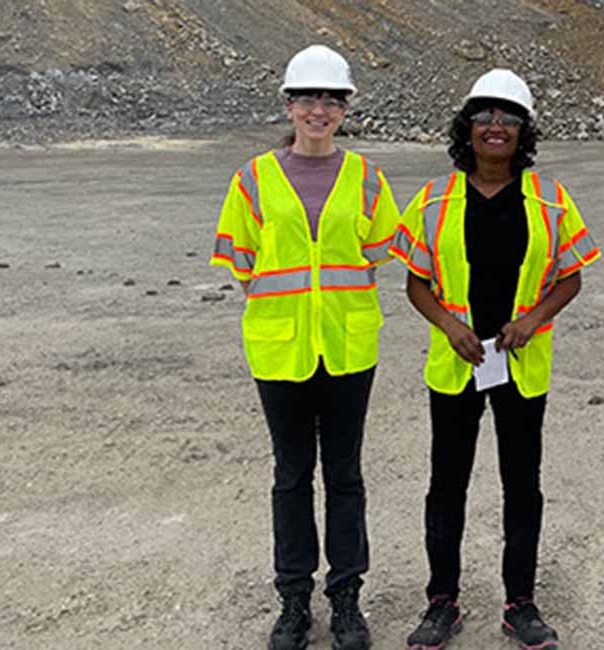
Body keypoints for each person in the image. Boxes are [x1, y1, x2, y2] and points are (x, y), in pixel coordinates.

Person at [389, 68, 600, 650]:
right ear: (468, 127)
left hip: (521, 366)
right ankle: (442, 602)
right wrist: (450, 324)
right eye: (484, 115)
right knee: (447, 484)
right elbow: (416, 284)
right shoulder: (434, 199)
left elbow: (572, 276)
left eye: (508, 118)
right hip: (456, 363)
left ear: (524, 131)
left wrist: (533, 320)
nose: (496, 127)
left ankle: (521, 602)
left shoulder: (551, 200)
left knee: (521, 484)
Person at [210, 44, 401, 650]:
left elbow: (379, 251)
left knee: (344, 475)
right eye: (307, 99)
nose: (318, 110)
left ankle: (346, 599)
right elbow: (242, 263)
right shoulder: (253, 179)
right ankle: (294, 600)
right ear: (289, 106)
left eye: (331, 100)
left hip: (347, 348)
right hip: (281, 350)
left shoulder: (367, 177)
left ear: (343, 109)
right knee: (291, 475)